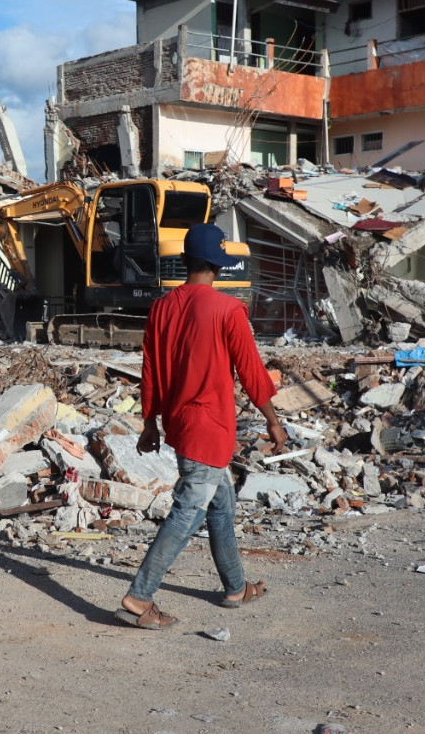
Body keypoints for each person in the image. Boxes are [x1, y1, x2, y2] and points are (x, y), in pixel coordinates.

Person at [115, 223, 288, 630]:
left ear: (187, 261)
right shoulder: (227, 310)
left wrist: (149, 424)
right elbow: (251, 373)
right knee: (189, 510)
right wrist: (274, 423)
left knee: (220, 503)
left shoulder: (161, 307)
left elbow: (151, 370)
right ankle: (139, 597)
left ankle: (235, 587)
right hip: (209, 426)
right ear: (216, 265)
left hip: (178, 422)